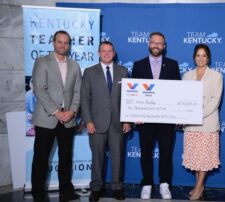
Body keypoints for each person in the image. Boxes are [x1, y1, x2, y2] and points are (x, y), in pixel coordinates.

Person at [31, 30, 82, 202]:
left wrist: (72, 111)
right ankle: (38, 193)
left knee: (66, 158)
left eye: (66, 42)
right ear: (53, 42)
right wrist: (56, 112)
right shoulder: (42, 62)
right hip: (47, 118)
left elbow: (77, 92)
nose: (63, 45)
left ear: (69, 44)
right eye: (59, 42)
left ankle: (65, 191)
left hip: (68, 119)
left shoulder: (75, 65)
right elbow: (39, 89)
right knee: (41, 158)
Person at [131, 32, 181, 199]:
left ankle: (164, 184)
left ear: (164, 46)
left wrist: (176, 115)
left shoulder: (173, 65)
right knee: (145, 152)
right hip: (145, 119)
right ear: (148, 44)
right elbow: (134, 93)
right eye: (154, 42)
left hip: (166, 119)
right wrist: (135, 113)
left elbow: (177, 93)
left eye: (160, 43)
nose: (156, 46)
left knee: (166, 152)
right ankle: (146, 184)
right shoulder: (138, 65)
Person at [81, 41, 131, 201]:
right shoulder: (89, 72)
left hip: (118, 122)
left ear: (114, 53)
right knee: (97, 157)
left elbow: (128, 98)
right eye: (104, 51)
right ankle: (96, 188)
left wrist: (127, 120)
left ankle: (117, 187)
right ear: (98, 53)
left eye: (110, 51)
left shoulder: (123, 71)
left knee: (117, 156)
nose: (107, 53)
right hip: (96, 122)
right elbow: (84, 98)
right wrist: (88, 121)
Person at [182, 44, 223, 200]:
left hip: (207, 122)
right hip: (191, 125)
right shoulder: (187, 76)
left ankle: (199, 187)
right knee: (195, 157)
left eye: (204, 55)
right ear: (194, 57)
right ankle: (198, 184)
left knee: (204, 158)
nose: (201, 58)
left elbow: (215, 101)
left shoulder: (216, 76)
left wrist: (197, 114)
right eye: (198, 55)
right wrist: (186, 115)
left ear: (208, 58)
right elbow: (183, 99)